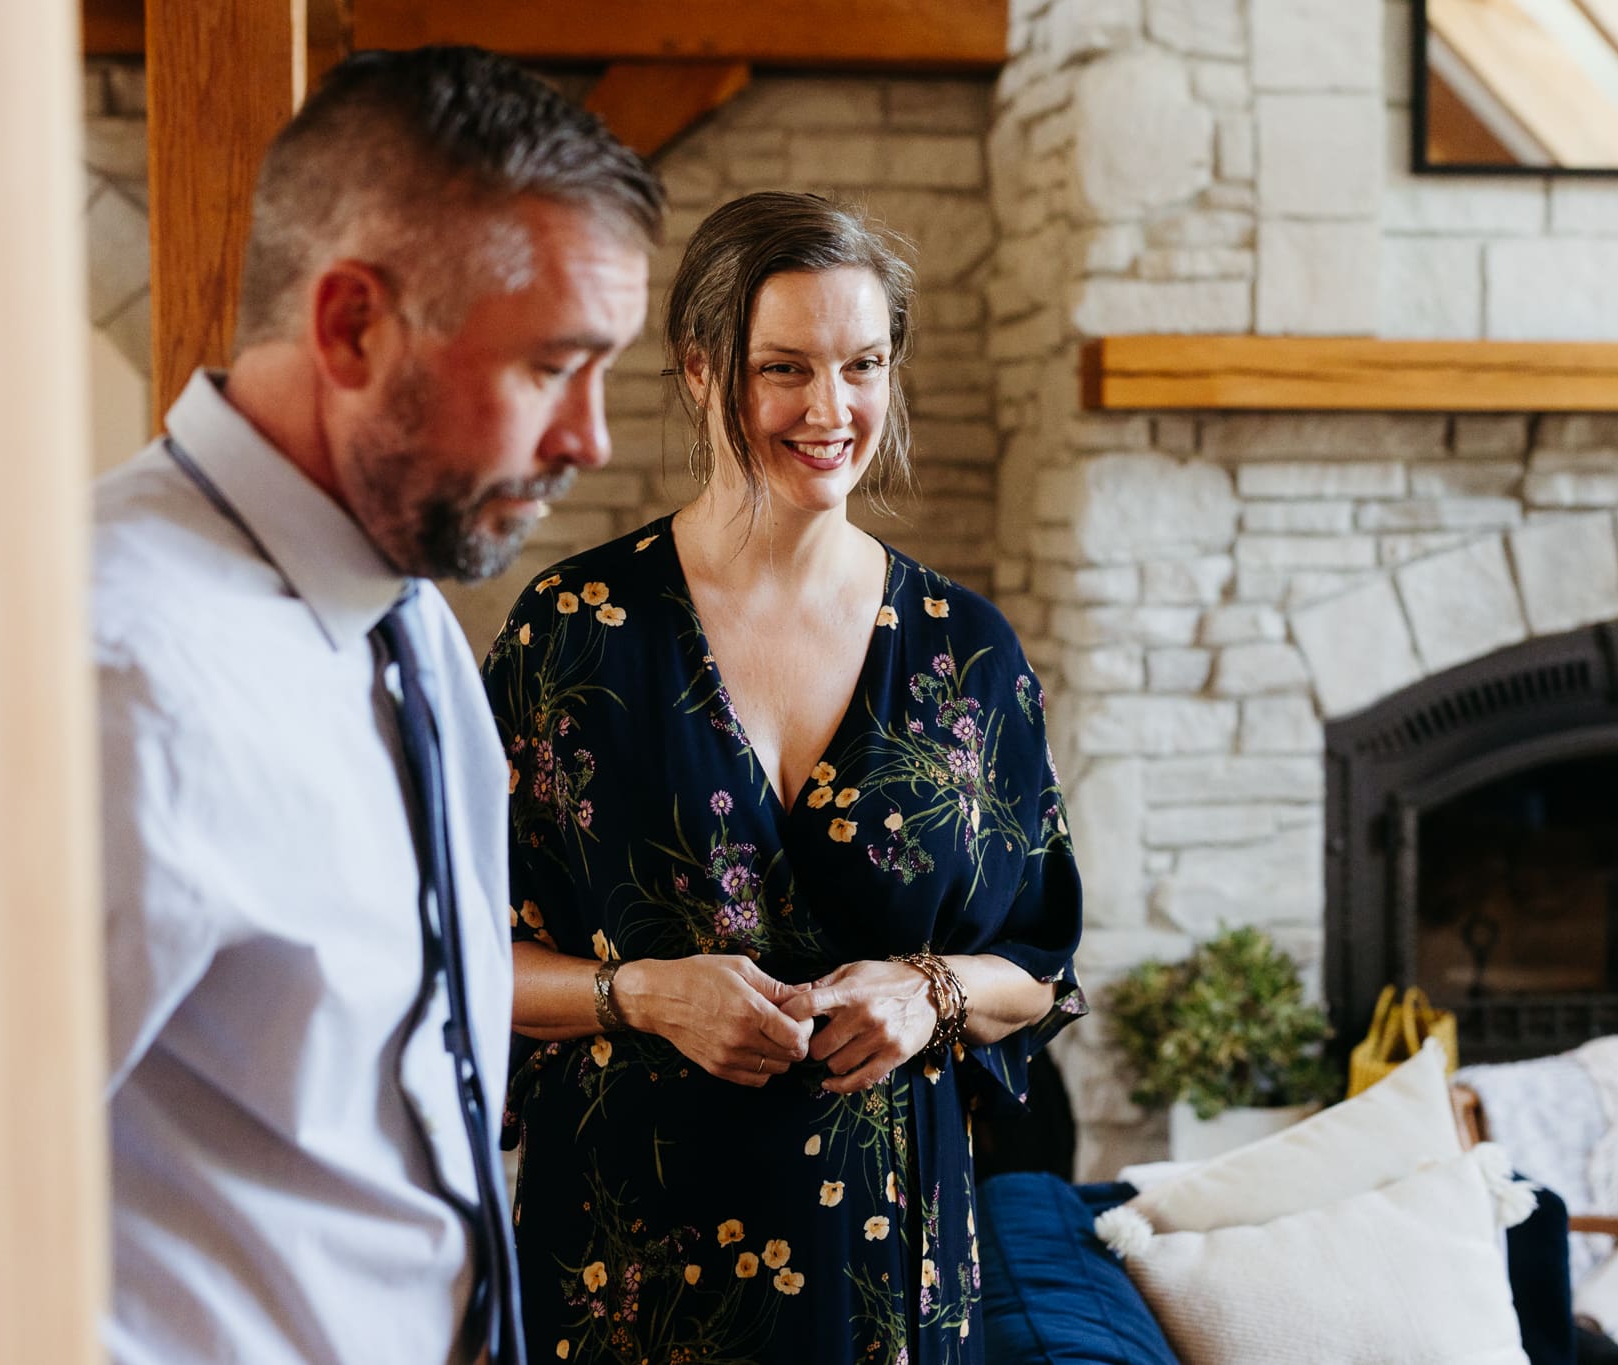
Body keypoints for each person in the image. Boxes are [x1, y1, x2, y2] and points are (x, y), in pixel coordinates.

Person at [95, 48, 662, 1365]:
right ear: (351, 327)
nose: (593, 440)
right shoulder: (122, 677)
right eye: (552, 368)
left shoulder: (404, 609)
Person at [482, 191, 1086, 1365]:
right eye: (784, 369)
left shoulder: (967, 651)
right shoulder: (571, 634)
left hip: (886, 1285)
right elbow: (452, 954)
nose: (829, 410)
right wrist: (642, 994)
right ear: (701, 372)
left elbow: (1039, 966)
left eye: (862, 365)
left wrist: (931, 994)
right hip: (624, 1266)